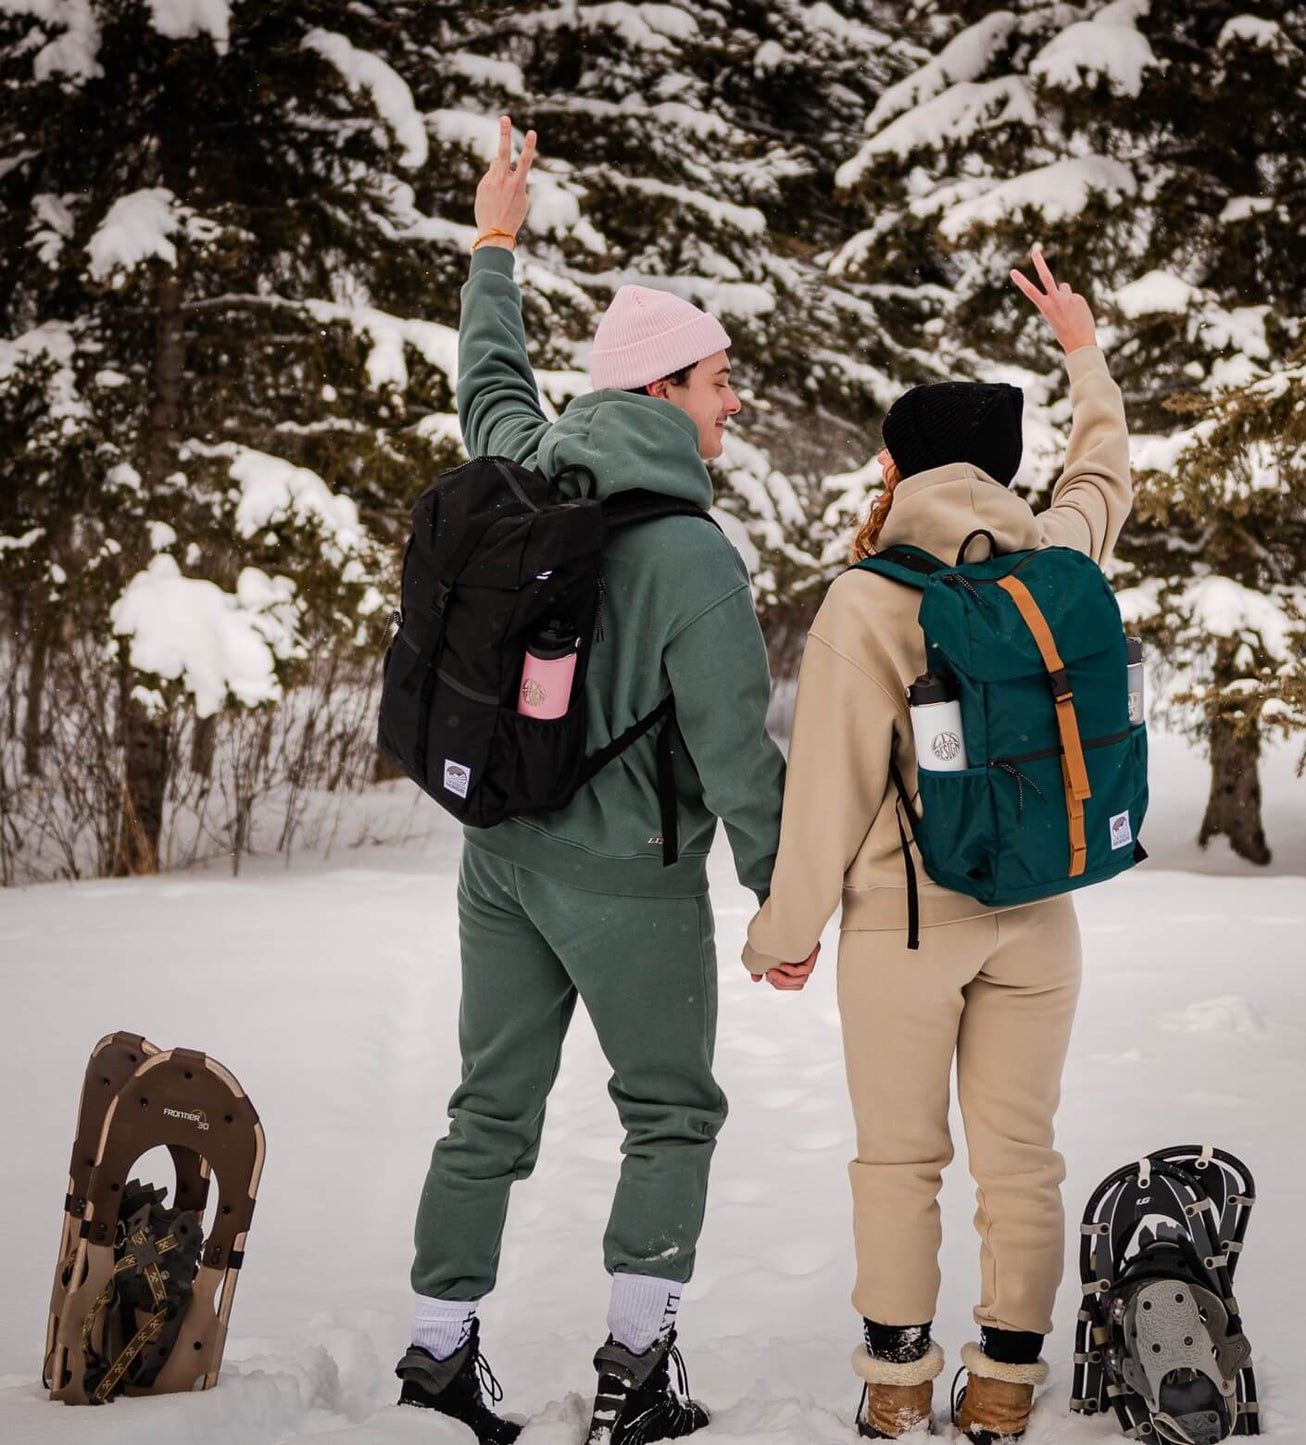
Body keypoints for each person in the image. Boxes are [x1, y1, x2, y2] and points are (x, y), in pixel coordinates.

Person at [394, 118, 786, 1445]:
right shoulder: (692, 557)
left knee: (486, 1106)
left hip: (500, 857)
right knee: (669, 1111)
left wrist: (493, 240)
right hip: (631, 886)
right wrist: (783, 902)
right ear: (667, 388)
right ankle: (636, 1368)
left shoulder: (527, 467)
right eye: (721, 380)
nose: (734, 401)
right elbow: (737, 755)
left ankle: (437, 1355)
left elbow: (489, 377)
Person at [743, 251, 1131, 1442]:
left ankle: (898, 1380)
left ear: (896, 467)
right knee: (1020, 1150)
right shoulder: (1056, 561)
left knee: (897, 1156)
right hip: (1040, 909)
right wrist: (1080, 344)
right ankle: (1007, 1377)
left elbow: (829, 788)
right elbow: (1104, 471)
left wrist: (782, 931)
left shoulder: (869, 597)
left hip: (908, 924)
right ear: (1003, 470)